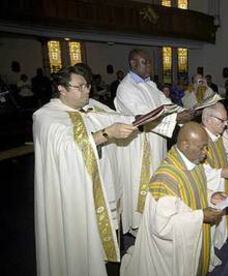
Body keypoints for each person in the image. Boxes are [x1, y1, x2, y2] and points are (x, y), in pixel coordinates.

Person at [33, 65, 139, 276]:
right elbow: (68, 149)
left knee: (113, 243)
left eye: (88, 85)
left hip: (107, 188)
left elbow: (118, 117)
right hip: (79, 197)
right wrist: (107, 133)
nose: (87, 91)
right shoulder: (46, 117)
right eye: (79, 87)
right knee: (87, 246)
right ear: (61, 89)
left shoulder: (93, 106)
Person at [121, 122, 225, 276]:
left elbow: (194, 190)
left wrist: (212, 195)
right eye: (202, 147)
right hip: (171, 256)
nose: (206, 152)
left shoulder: (192, 161)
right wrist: (201, 216)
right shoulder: (165, 179)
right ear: (185, 145)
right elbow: (163, 227)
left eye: (206, 147)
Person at [114, 48, 193, 234]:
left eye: (149, 62)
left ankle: (155, 217)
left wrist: (183, 111)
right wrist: (176, 119)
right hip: (138, 145)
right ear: (133, 64)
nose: (149, 66)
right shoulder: (126, 88)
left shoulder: (149, 85)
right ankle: (138, 225)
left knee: (157, 179)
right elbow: (143, 117)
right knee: (139, 182)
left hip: (155, 141)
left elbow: (166, 104)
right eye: (144, 62)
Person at [202, 102, 228, 249]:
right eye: (222, 121)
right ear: (208, 120)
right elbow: (195, 170)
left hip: (220, 183)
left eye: (226, 120)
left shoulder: (216, 136)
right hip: (208, 191)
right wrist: (221, 172)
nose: (225, 125)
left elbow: (220, 159)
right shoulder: (200, 137)